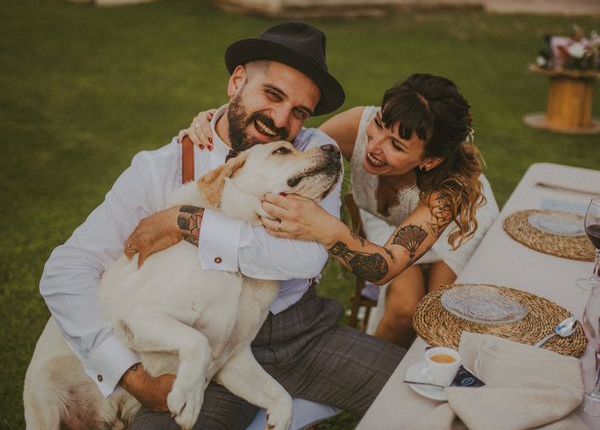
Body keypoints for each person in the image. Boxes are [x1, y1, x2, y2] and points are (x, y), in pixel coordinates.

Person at [40, 21, 405, 429]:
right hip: (197, 359)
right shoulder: (163, 168)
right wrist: (127, 372)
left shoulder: (311, 155)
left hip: (304, 336)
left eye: (299, 111)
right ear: (236, 82)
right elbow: (67, 270)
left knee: (433, 391)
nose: (281, 119)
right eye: (272, 94)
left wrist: (190, 222)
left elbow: (305, 257)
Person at [184, 73, 499, 349]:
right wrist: (220, 121)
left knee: (442, 309)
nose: (375, 146)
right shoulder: (358, 126)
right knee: (405, 308)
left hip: (458, 229)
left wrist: (325, 229)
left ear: (429, 161)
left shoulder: (447, 196)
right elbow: (291, 143)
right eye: (380, 125)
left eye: (397, 147)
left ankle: (429, 374)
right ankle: (380, 383)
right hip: (385, 221)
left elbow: (384, 267)